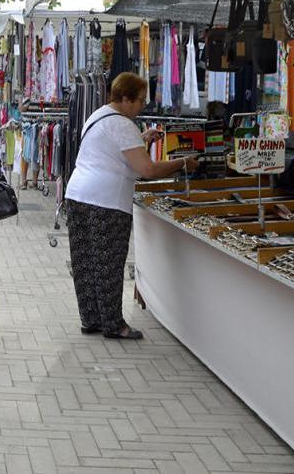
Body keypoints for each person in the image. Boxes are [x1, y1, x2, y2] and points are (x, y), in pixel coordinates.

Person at [65, 72, 199, 340]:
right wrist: (182, 163)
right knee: (109, 263)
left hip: (78, 193)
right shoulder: (123, 126)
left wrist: (143, 139)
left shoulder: (99, 114)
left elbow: (112, 150)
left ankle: (91, 318)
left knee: (86, 261)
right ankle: (114, 325)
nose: (142, 106)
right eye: (139, 101)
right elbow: (147, 169)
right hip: (106, 200)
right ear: (125, 99)